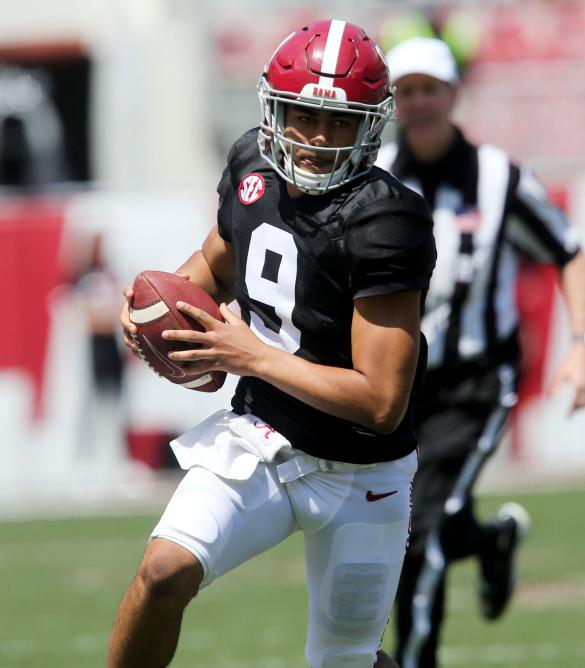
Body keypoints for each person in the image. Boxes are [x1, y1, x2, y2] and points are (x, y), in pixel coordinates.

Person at [108, 20, 435, 668]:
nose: (317, 138)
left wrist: (250, 354)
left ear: (371, 126)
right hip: (263, 437)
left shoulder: (385, 220)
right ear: (272, 110)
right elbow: (216, 261)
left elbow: (381, 401)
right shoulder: (251, 166)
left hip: (361, 472)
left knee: (344, 661)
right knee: (162, 572)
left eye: (340, 122)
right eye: (303, 116)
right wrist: (156, 308)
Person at [375, 37, 585, 668]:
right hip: (399, 383)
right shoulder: (378, 177)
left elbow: (569, 251)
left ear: (454, 96)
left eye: (430, 89)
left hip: (479, 383)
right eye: (406, 90)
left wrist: (584, 347)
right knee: (404, 516)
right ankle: (494, 541)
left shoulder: (498, 178)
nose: (418, 103)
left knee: (421, 529)